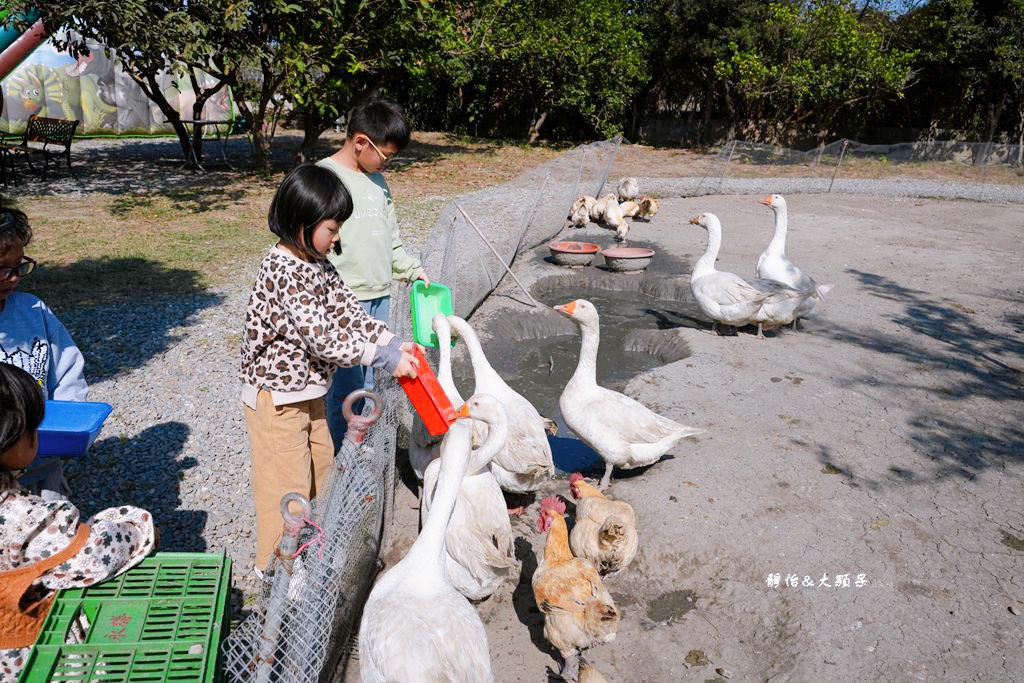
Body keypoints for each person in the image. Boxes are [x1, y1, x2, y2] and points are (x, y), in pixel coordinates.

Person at [240, 163, 419, 574]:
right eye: (332, 228)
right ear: (301, 221)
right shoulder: (283, 269)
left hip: (310, 394)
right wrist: (381, 357)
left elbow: (348, 314)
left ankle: (313, 550)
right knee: (286, 486)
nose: (337, 237)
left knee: (322, 469)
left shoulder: (318, 262)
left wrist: (389, 340)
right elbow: (324, 336)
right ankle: (278, 571)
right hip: (277, 400)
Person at [0, 362, 156, 683]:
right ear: (10, 437)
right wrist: (136, 524)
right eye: (32, 427)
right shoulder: (24, 518)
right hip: (25, 662)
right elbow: (95, 553)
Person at [317, 96, 430, 445]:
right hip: (344, 303)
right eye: (386, 156)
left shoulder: (379, 182)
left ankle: (360, 446)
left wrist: (411, 269)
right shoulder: (324, 178)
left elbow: (390, 240)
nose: (388, 164)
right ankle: (343, 456)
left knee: (370, 380)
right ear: (361, 142)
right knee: (345, 388)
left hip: (378, 299)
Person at [0, 202, 87, 500]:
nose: (13, 278)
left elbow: (67, 370)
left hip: (42, 466)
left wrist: (68, 422)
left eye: (18, 267)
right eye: (1, 269)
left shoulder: (34, 310)